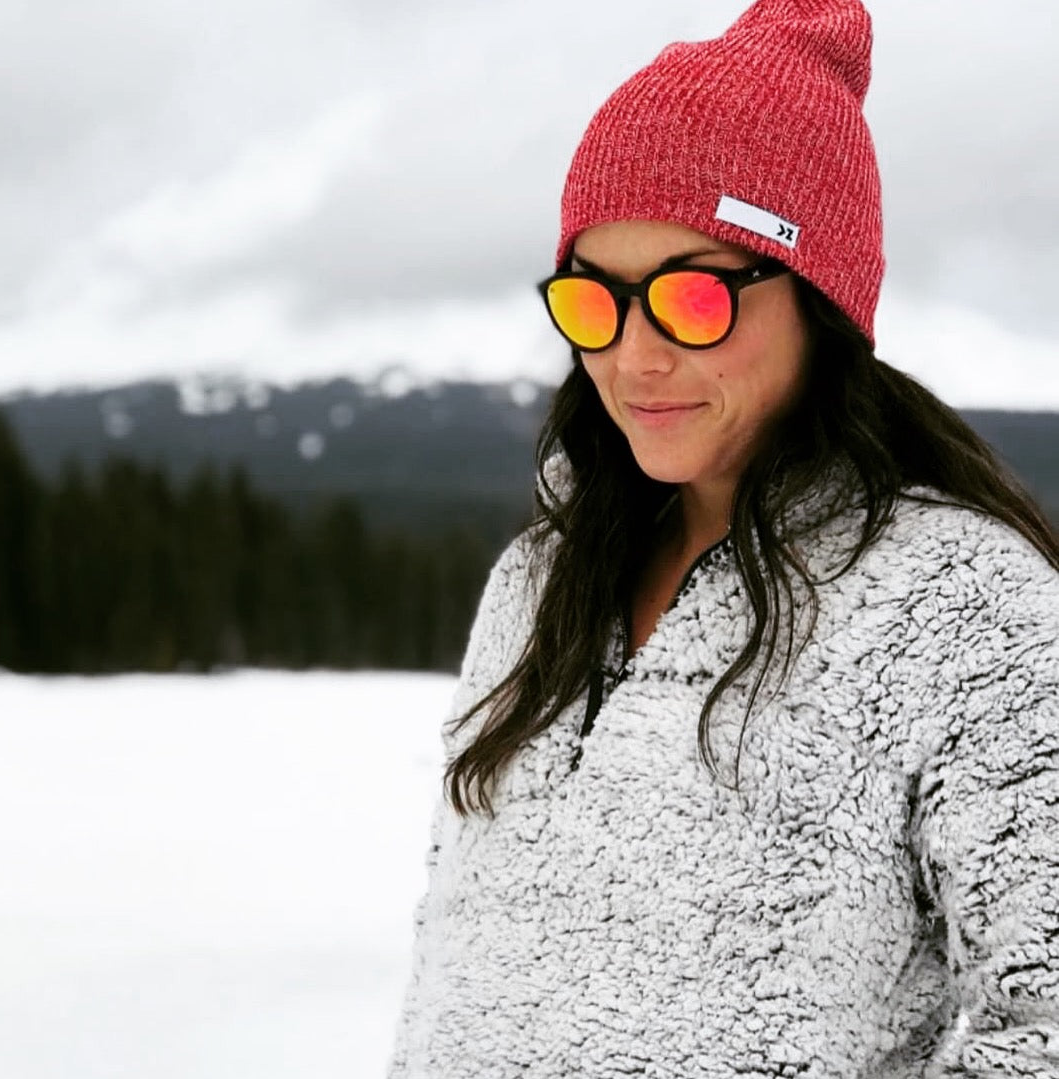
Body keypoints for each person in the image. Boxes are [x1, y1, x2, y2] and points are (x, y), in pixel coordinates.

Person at [388, 1, 1059, 1075]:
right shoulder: (537, 581)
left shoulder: (964, 603)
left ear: (818, 300)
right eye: (593, 302)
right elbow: (450, 969)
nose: (633, 359)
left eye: (692, 298)